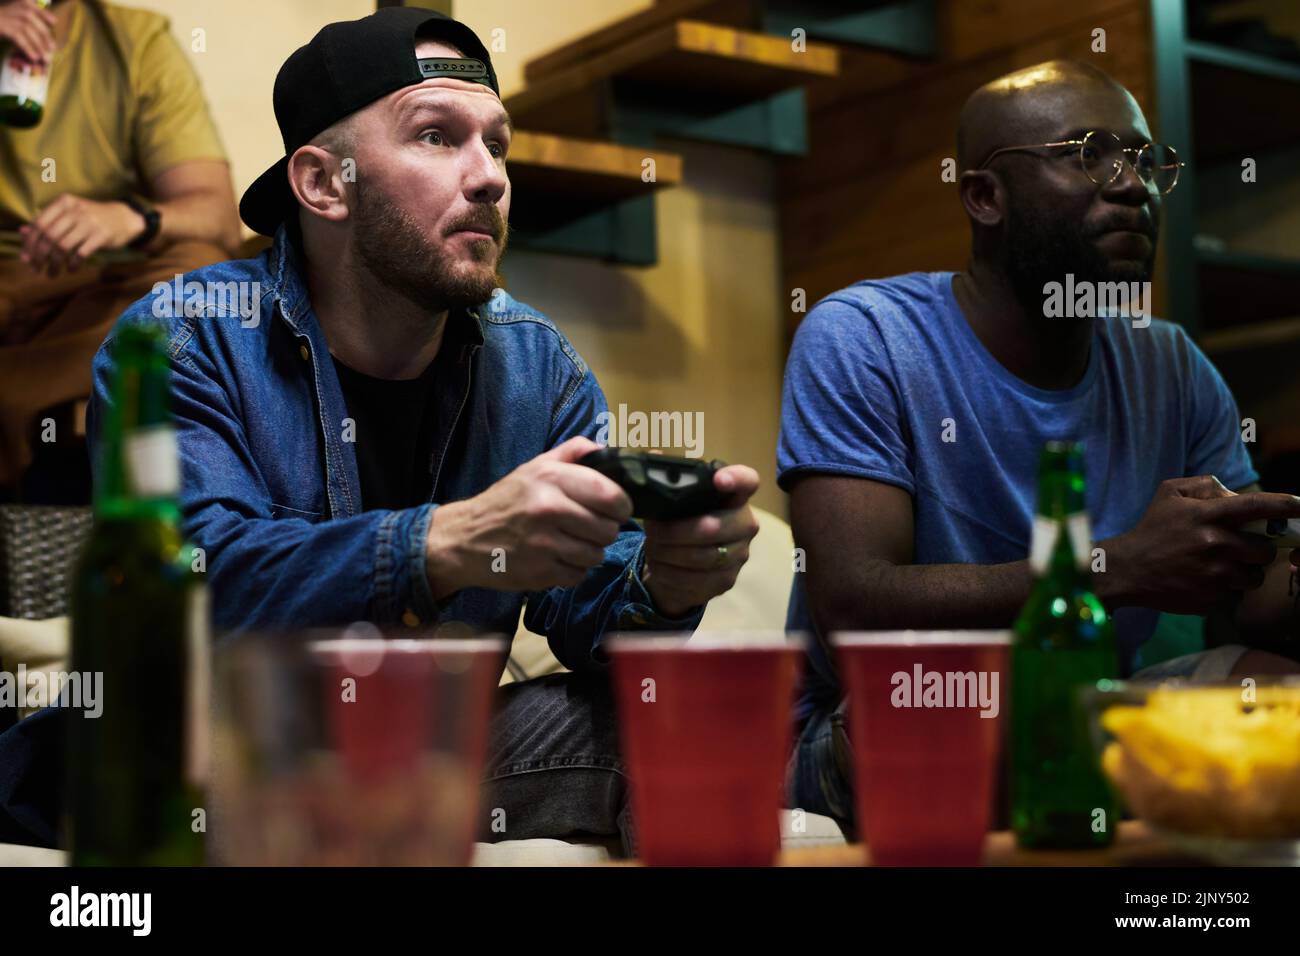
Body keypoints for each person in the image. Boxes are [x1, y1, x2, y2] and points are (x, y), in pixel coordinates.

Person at [80, 7, 759, 853]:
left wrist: (666, 581)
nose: (490, 178)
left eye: (498, 145)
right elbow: (186, 588)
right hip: (218, 766)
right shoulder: (181, 339)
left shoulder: (538, 367)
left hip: (424, 760)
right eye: (437, 136)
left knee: (673, 723)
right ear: (325, 183)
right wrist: (446, 542)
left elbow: (592, 619)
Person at [779, 60, 1300, 832]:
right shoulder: (868, 338)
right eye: (1089, 154)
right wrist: (1116, 568)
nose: (1133, 186)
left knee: (1279, 698)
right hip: (887, 718)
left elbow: (1248, 603)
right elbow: (854, 607)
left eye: (1147, 161)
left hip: (1097, 703)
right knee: (948, 706)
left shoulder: (1172, 364)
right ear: (984, 196)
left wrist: (1280, 572)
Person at [0, 0, 240, 494]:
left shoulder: (134, 40)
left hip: (96, 284)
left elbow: (217, 215)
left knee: (201, 275)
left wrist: (132, 217)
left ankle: (24, 397)